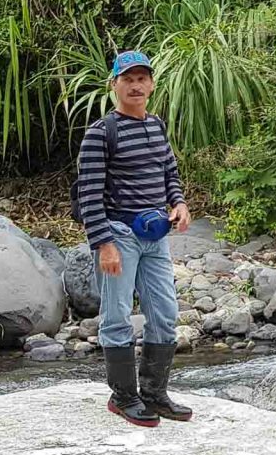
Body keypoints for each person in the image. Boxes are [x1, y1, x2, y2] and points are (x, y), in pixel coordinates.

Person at [75, 51, 193, 427]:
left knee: (165, 314)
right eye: (128, 79)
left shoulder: (156, 126)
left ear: (152, 84)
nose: (136, 85)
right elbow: (89, 195)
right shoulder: (100, 133)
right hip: (119, 235)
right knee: (116, 316)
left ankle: (155, 394)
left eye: (142, 78)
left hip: (156, 236)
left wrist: (178, 202)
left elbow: (169, 172)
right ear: (114, 85)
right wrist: (104, 243)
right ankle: (123, 397)